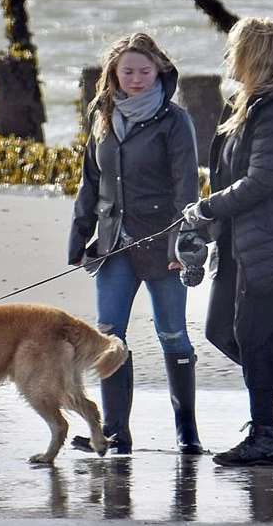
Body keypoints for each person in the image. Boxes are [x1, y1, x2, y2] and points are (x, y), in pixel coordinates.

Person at [181, 17, 273, 466]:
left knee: (253, 338)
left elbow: (261, 182)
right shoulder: (246, 105)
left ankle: (265, 437)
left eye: (234, 50)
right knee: (221, 331)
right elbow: (232, 177)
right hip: (239, 242)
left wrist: (206, 209)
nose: (228, 58)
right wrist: (209, 228)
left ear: (253, 56)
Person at [67, 32, 202, 455]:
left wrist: (185, 246)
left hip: (164, 246)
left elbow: (187, 189)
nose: (137, 79)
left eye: (145, 71)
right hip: (112, 245)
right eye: (128, 72)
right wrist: (79, 237)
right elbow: (91, 182)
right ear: (114, 74)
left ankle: (188, 435)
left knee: (172, 334)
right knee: (109, 337)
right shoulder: (101, 115)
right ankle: (114, 434)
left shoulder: (175, 120)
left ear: (159, 71)